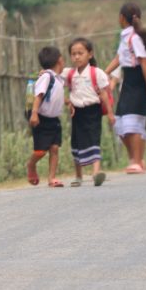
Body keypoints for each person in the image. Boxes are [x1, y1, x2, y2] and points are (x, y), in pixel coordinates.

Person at [104, 2, 146, 174]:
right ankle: (136, 159)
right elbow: (119, 58)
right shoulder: (125, 37)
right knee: (120, 123)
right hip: (128, 80)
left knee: (132, 122)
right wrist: (104, 72)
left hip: (138, 81)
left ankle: (136, 160)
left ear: (121, 18)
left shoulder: (135, 38)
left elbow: (143, 62)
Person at [64, 37, 114, 187]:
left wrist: (110, 114)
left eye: (80, 53)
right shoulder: (70, 74)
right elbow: (54, 80)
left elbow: (104, 93)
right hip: (77, 113)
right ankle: (78, 176)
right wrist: (68, 102)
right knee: (77, 142)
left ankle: (96, 173)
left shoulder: (96, 73)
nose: (77, 56)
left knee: (93, 139)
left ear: (90, 54)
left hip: (93, 111)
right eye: (73, 54)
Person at [27, 46, 66, 187]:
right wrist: (34, 113)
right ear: (60, 60)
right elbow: (39, 96)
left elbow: (56, 96)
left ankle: (52, 178)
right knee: (41, 151)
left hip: (54, 120)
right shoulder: (46, 77)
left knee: (55, 148)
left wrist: (68, 102)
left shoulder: (59, 79)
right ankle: (31, 164)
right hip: (41, 118)